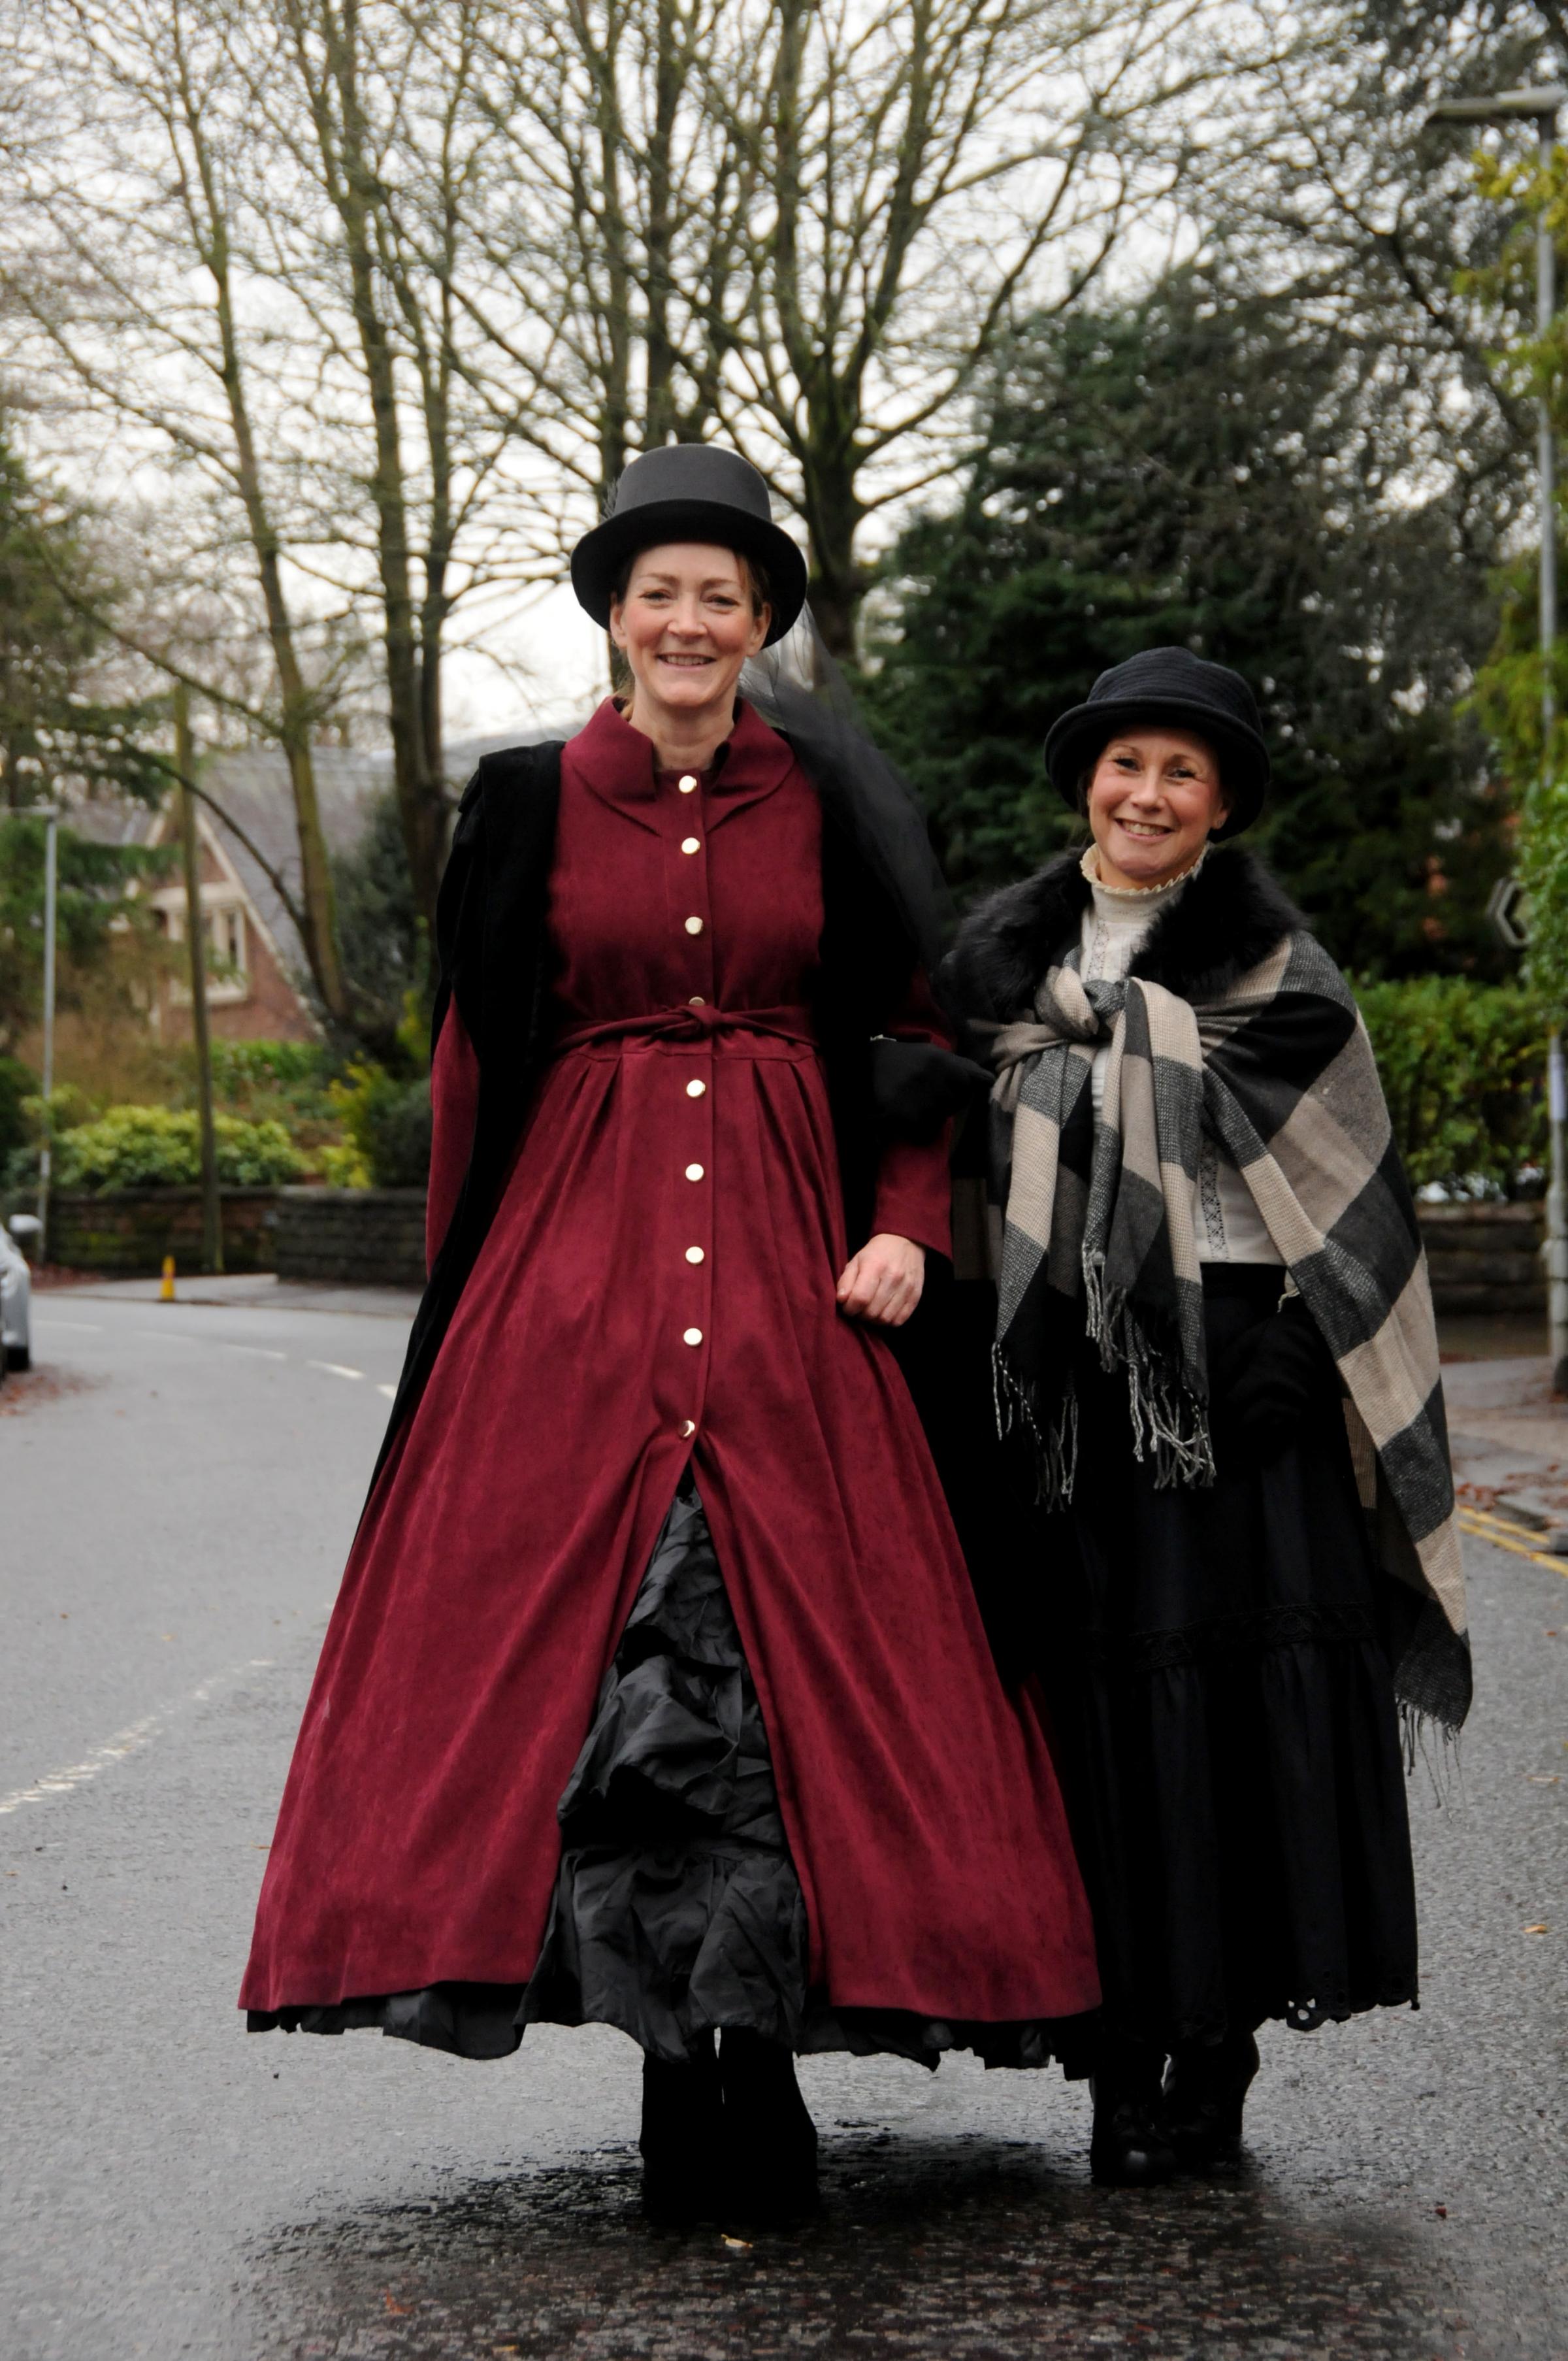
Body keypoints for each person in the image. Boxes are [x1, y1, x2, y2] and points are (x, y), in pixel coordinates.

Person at [241, 443, 1099, 2230]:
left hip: (797, 1246)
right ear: (615, 618)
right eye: (661, 591)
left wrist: (902, 1223)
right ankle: (660, 2053)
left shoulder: (829, 799)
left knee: (796, 1624)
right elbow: (480, 1052)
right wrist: (467, 1283)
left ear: (762, 619)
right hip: (574, 1250)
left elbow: (906, 1024)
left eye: (724, 593)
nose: (691, 618)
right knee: (598, 1634)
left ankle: (757, 2053)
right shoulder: (533, 800)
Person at [942, 647, 1471, 2187]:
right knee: (1100, 1726)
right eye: (1124, 766)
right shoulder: (1000, 988)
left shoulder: (1284, 982)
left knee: (1239, 1727)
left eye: (1183, 771)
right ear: (1085, 789)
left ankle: (1219, 2052)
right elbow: (970, 1188)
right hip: (1076, 1386)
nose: (1148, 793)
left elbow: (1350, 1192)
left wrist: (1299, 1346)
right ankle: (1115, 2057)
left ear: (1222, 803)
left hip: (1250, 1380)